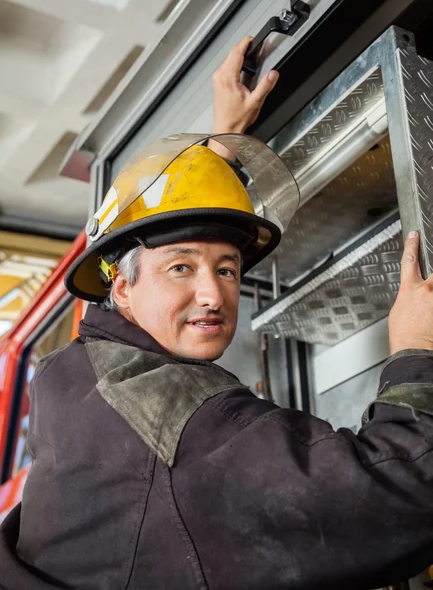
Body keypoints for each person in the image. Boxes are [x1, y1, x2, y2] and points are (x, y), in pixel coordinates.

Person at [1, 37, 433, 590]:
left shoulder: (72, 376)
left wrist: (213, 158)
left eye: (227, 269)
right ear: (123, 289)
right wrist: (418, 354)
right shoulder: (181, 421)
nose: (213, 295)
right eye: (181, 268)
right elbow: (406, 493)